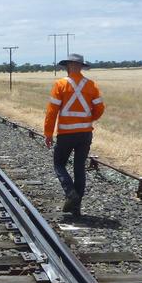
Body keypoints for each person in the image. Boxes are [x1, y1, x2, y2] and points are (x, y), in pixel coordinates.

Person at [44, 54, 105, 216]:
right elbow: (100, 108)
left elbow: (52, 112)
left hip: (66, 134)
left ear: (69, 66)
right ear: (80, 66)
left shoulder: (60, 85)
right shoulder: (91, 85)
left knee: (59, 164)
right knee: (79, 168)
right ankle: (76, 207)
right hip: (85, 134)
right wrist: (89, 118)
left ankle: (70, 193)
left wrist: (48, 133)